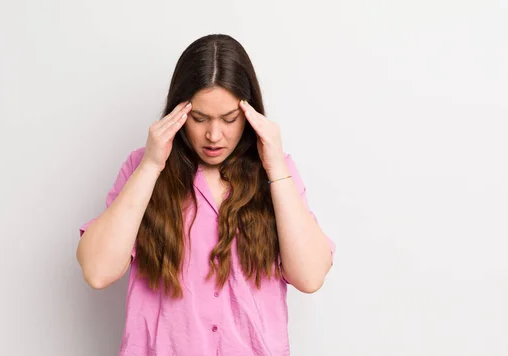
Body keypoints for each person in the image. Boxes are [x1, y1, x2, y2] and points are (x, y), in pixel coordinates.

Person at [76, 34, 336, 356]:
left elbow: (310, 276)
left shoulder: (277, 172)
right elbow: (98, 271)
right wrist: (151, 166)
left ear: (249, 112)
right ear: (179, 112)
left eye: (229, 119)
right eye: (199, 119)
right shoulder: (141, 168)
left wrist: (275, 167)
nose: (214, 135)